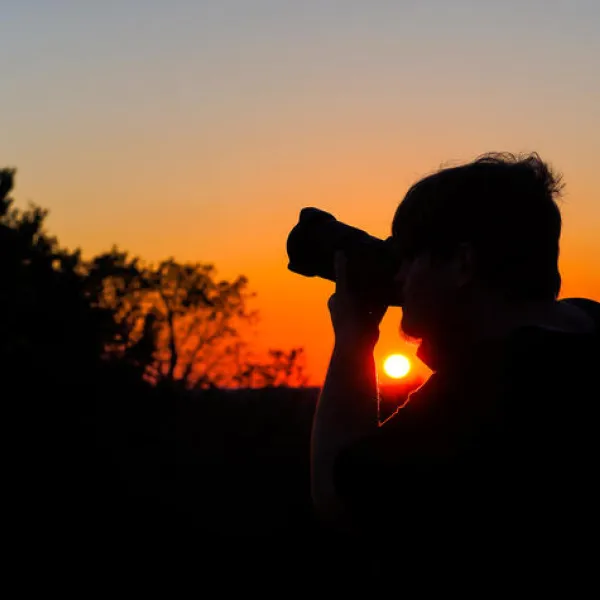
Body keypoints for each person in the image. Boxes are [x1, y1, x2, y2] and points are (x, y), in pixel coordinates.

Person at [310, 152, 600, 571]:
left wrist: (354, 341)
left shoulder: (486, 393)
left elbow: (339, 497)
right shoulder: (585, 324)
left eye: (409, 257)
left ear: (463, 264)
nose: (398, 277)